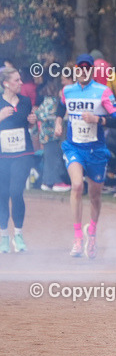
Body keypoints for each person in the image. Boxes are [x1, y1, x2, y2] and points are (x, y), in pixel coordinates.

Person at [54, 55, 116, 258]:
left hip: (96, 150)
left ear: (92, 71)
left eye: (87, 68)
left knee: (95, 195)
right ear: (75, 70)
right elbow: (60, 106)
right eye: (79, 68)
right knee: (76, 186)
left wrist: (97, 119)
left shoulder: (103, 92)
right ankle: (77, 237)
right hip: (74, 148)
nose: (83, 71)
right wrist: (58, 122)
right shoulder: (67, 91)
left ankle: (91, 232)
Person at [0, 66, 38, 252]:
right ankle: (4, 236)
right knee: (2, 194)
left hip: (22, 154)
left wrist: (31, 123)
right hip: (2, 156)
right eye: (16, 80)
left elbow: (26, 127)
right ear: (6, 83)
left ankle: (19, 234)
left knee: (16, 192)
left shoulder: (24, 102)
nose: (21, 83)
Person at [35, 74, 71, 191]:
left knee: (49, 158)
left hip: (46, 135)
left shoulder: (46, 101)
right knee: (54, 158)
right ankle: (56, 182)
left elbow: (39, 113)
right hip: (52, 135)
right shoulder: (52, 101)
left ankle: (47, 182)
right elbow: (44, 115)